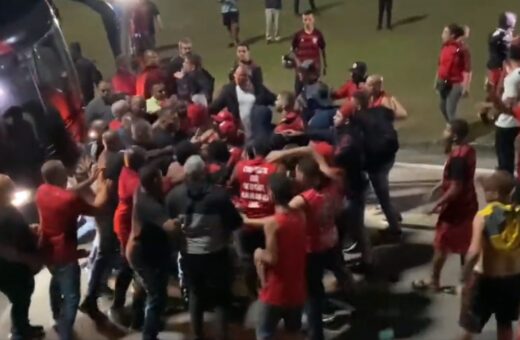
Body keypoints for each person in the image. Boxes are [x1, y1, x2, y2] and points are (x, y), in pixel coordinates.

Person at [166, 155, 243, 340]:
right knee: (222, 297)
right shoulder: (219, 196)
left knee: (195, 294)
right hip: (216, 253)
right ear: (204, 172)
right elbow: (235, 223)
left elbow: (170, 224)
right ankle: (222, 335)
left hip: (189, 255)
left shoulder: (174, 196)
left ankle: (197, 334)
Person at [36, 160, 108, 340]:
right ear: (59, 176)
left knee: (56, 282)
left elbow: (65, 193)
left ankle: (56, 316)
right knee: (72, 297)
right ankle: (65, 332)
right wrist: (103, 183)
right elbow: (98, 208)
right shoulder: (70, 200)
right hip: (65, 254)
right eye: (63, 172)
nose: (67, 175)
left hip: (46, 249)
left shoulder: (42, 190)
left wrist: (90, 179)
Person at [413, 119, 478, 292]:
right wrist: (438, 187)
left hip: (455, 210)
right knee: (467, 243)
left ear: (455, 136)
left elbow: (456, 188)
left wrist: (436, 204)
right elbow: (458, 180)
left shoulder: (458, 158)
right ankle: (467, 282)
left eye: (447, 130)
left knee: (441, 245)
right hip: (469, 204)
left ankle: (434, 281)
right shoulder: (469, 151)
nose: (444, 133)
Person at [241, 174, 307, 340]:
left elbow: (272, 258)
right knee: (294, 333)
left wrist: (258, 253)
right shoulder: (300, 216)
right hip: (297, 288)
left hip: (275, 291)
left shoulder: (273, 224)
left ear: (271, 194)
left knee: (264, 334)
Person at [458, 171, 520, 340]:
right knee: (505, 325)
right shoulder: (517, 215)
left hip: (485, 279)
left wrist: (464, 278)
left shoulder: (483, 217)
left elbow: (474, 252)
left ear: (494, 193)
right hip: (513, 279)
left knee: (469, 326)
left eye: (487, 190)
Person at [126, 164, 179, 340]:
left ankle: (138, 320)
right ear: (155, 180)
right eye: (160, 176)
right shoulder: (149, 205)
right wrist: (184, 220)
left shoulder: (141, 190)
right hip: (144, 254)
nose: (164, 179)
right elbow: (170, 227)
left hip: (146, 250)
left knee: (144, 287)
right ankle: (149, 334)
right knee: (157, 296)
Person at [80, 130, 124, 319]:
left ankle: (94, 292)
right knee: (104, 254)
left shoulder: (103, 156)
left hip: (103, 213)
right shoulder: (115, 160)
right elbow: (109, 190)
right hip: (108, 213)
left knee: (102, 253)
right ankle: (91, 297)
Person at [229, 137, 279, 296]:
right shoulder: (275, 168)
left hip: (246, 222)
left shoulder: (240, 167)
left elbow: (231, 184)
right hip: (267, 222)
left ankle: (253, 295)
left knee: (246, 261)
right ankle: (270, 291)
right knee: (270, 260)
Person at [0, 175, 45, 340]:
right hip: (11, 269)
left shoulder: (8, 209)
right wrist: (29, 260)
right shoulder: (5, 215)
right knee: (20, 299)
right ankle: (20, 332)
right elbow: (7, 250)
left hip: (13, 266)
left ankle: (22, 326)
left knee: (22, 298)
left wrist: (29, 229)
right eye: (10, 187)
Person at [110, 146, 147, 326]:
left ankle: (118, 304)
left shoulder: (126, 171)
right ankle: (136, 317)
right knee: (137, 270)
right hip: (129, 229)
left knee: (126, 268)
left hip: (124, 224)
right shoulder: (136, 184)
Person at [210, 65, 275, 143]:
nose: (236, 78)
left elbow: (273, 99)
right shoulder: (229, 90)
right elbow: (214, 107)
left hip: (258, 133)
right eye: (235, 75)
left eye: (240, 76)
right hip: (240, 135)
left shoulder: (257, 88)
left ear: (247, 76)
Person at [436, 24, 472, 123]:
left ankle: (458, 133)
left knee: (450, 110)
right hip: (443, 82)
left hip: (456, 83)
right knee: (442, 107)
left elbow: (467, 69)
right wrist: (437, 80)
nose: (442, 35)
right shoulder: (445, 46)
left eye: (445, 32)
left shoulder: (463, 49)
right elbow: (441, 64)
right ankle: (452, 127)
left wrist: (466, 86)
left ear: (452, 35)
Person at [494, 41, 520, 175]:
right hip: (517, 122)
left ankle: (507, 188)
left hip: (507, 124)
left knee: (505, 163)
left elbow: (509, 102)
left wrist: (492, 104)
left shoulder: (512, 78)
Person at [291, 11, 327, 94]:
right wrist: (298, 64)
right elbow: (293, 50)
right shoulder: (298, 35)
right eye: (305, 19)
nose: (307, 22)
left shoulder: (318, 34)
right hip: (301, 69)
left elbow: (322, 50)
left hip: (313, 70)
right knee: (298, 92)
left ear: (313, 20)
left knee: (313, 93)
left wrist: (324, 66)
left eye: (309, 19)